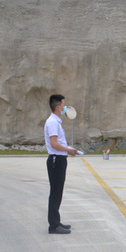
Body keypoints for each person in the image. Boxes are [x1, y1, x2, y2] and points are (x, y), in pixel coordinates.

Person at [44, 94, 77, 234]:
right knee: (55, 193)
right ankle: (53, 226)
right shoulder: (52, 122)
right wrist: (69, 150)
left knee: (58, 193)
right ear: (58, 107)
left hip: (59, 159)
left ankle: (56, 222)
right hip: (56, 160)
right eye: (63, 105)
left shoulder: (56, 121)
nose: (65, 107)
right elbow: (54, 144)